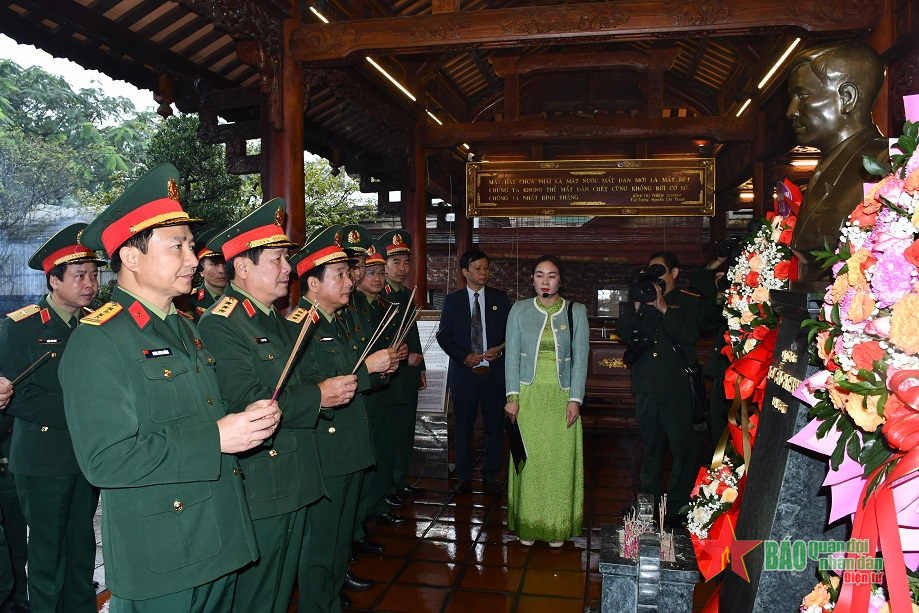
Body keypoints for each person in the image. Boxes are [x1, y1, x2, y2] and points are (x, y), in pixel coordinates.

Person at [58, 163, 281, 611]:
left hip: (218, 534)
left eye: (192, 246)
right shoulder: (100, 338)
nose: (193, 259)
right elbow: (105, 460)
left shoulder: (184, 326)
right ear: (131, 257)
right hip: (165, 552)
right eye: (176, 246)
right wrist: (217, 436)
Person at [197, 200, 324, 613]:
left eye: (286, 258)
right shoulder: (222, 321)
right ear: (244, 268)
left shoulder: (270, 318)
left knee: (279, 589)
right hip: (264, 480)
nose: (288, 269)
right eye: (277, 259)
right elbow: (245, 400)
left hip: (293, 474)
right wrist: (320, 396)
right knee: (257, 594)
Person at [287, 228, 398, 613]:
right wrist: (368, 368)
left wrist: (382, 367)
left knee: (338, 542)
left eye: (347, 274)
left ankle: (330, 600)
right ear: (313, 283)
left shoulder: (336, 320)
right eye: (339, 275)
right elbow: (313, 386)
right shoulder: (300, 324)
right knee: (321, 542)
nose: (350, 279)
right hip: (326, 450)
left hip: (351, 445)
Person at [0, 223, 107, 613]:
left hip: (84, 457)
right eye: (79, 276)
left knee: (81, 548)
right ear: (54, 279)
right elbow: (17, 396)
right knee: (47, 556)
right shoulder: (20, 327)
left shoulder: (97, 325)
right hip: (42, 458)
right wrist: (85, 414)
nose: (90, 284)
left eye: (94, 275)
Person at [504, 255, 588, 547]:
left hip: (562, 396)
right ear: (532, 280)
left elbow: (581, 360)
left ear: (560, 280)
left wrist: (575, 398)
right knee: (529, 461)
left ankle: (556, 525)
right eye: (540, 275)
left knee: (558, 462)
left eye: (551, 276)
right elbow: (511, 356)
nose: (545, 281)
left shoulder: (576, 311)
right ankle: (527, 525)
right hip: (528, 397)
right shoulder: (519, 310)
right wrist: (512, 397)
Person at [786, 42, 887, 283]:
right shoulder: (828, 165)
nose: (791, 111)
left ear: (847, 97)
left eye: (802, 96)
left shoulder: (885, 166)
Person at [616, 252, 701, 527]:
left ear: (675, 273)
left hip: (676, 387)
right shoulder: (639, 300)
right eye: (651, 271)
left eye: (661, 271)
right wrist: (640, 308)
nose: (656, 277)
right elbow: (624, 332)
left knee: (681, 449)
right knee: (649, 448)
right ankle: (645, 503)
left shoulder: (687, 302)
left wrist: (663, 308)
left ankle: (678, 506)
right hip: (647, 386)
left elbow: (689, 335)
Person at [438, 250, 511, 496]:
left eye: (486, 268)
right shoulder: (452, 301)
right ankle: (464, 475)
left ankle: (491, 475)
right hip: (464, 374)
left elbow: (510, 336)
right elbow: (443, 336)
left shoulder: (500, 299)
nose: (483, 273)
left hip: (493, 375)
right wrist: (463, 356)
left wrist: (498, 352)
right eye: (477, 268)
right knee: (464, 427)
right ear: (465, 272)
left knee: (494, 427)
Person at [340, 227, 390, 565]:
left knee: (362, 474)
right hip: (341, 408)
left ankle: (355, 533)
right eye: (349, 267)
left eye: (359, 266)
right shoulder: (339, 308)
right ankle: (350, 538)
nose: (356, 274)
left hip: (363, 397)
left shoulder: (356, 307)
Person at [358, 242, 408, 528]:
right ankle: (366, 511)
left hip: (389, 385)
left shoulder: (387, 306)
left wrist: (400, 351)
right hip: (368, 387)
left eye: (379, 272)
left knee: (386, 448)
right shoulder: (353, 306)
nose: (377, 278)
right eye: (371, 272)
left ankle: (378, 503)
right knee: (372, 451)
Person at [380, 230, 427, 499]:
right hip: (390, 376)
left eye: (406, 262)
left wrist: (420, 369)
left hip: (408, 374)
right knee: (391, 433)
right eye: (395, 262)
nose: (402, 268)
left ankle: (399, 479)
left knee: (406, 431)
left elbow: (414, 335)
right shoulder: (382, 295)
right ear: (384, 265)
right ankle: (386, 486)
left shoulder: (408, 294)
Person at [188, 226, 227, 321]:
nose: (221, 270)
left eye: (225, 263)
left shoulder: (243, 297)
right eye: (214, 264)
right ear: (201, 271)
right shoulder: (189, 301)